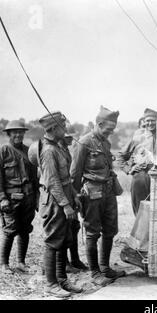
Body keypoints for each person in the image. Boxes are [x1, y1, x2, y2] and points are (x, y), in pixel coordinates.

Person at [70, 106, 125, 286]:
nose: (111, 132)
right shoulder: (83, 142)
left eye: (113, 129)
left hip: (108, 192)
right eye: (108, 129)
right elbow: (75, 173)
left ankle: (104, 268)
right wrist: (75, 196)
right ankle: (94, 273)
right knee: (92, 233)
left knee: (110, 230)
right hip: (91, 193)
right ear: (99, 124)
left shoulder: (106, 143)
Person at [36, 111, 83, 298]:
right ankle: (50, 284)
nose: (66, 129)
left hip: (65, 197)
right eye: (63, 126)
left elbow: (66, 180)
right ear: (53, 128)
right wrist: (65, 204)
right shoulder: (48, 151)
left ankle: (62, 280)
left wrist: (74, 196)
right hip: (55, 202)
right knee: (53, 241)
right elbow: (52, 181)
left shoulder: (59, 147)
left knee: (64, 240)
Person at [0, 120, 38, 274]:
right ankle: (4, 264)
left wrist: (36, 199)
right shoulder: (3, 151)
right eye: (14, 132)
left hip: (28, 198)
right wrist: (2, 198)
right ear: (9, 134)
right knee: (10, 230)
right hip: (10, 199)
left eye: (21, 132)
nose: (18, 134)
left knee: (25, 230)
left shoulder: (29, 151)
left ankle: (21, 262)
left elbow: (35, 178)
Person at [118, 108, 157, 216]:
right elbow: (120, 156)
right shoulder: (138, 139)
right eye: (147, 120)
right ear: (144, 122)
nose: (150, 123)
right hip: (141, 179)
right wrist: (129, 169)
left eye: (153, 120)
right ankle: (142, 232)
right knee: (141, 213)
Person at [58, 128, 88, 272]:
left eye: (71, 136)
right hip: (61, 196)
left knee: (74, 227)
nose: (70, 139)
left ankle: (75, 260)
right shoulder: (56, 151)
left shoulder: (66, 151)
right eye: (67, 137)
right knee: (63, 231)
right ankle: (65, 264)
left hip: (71, 193)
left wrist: (75, 195)